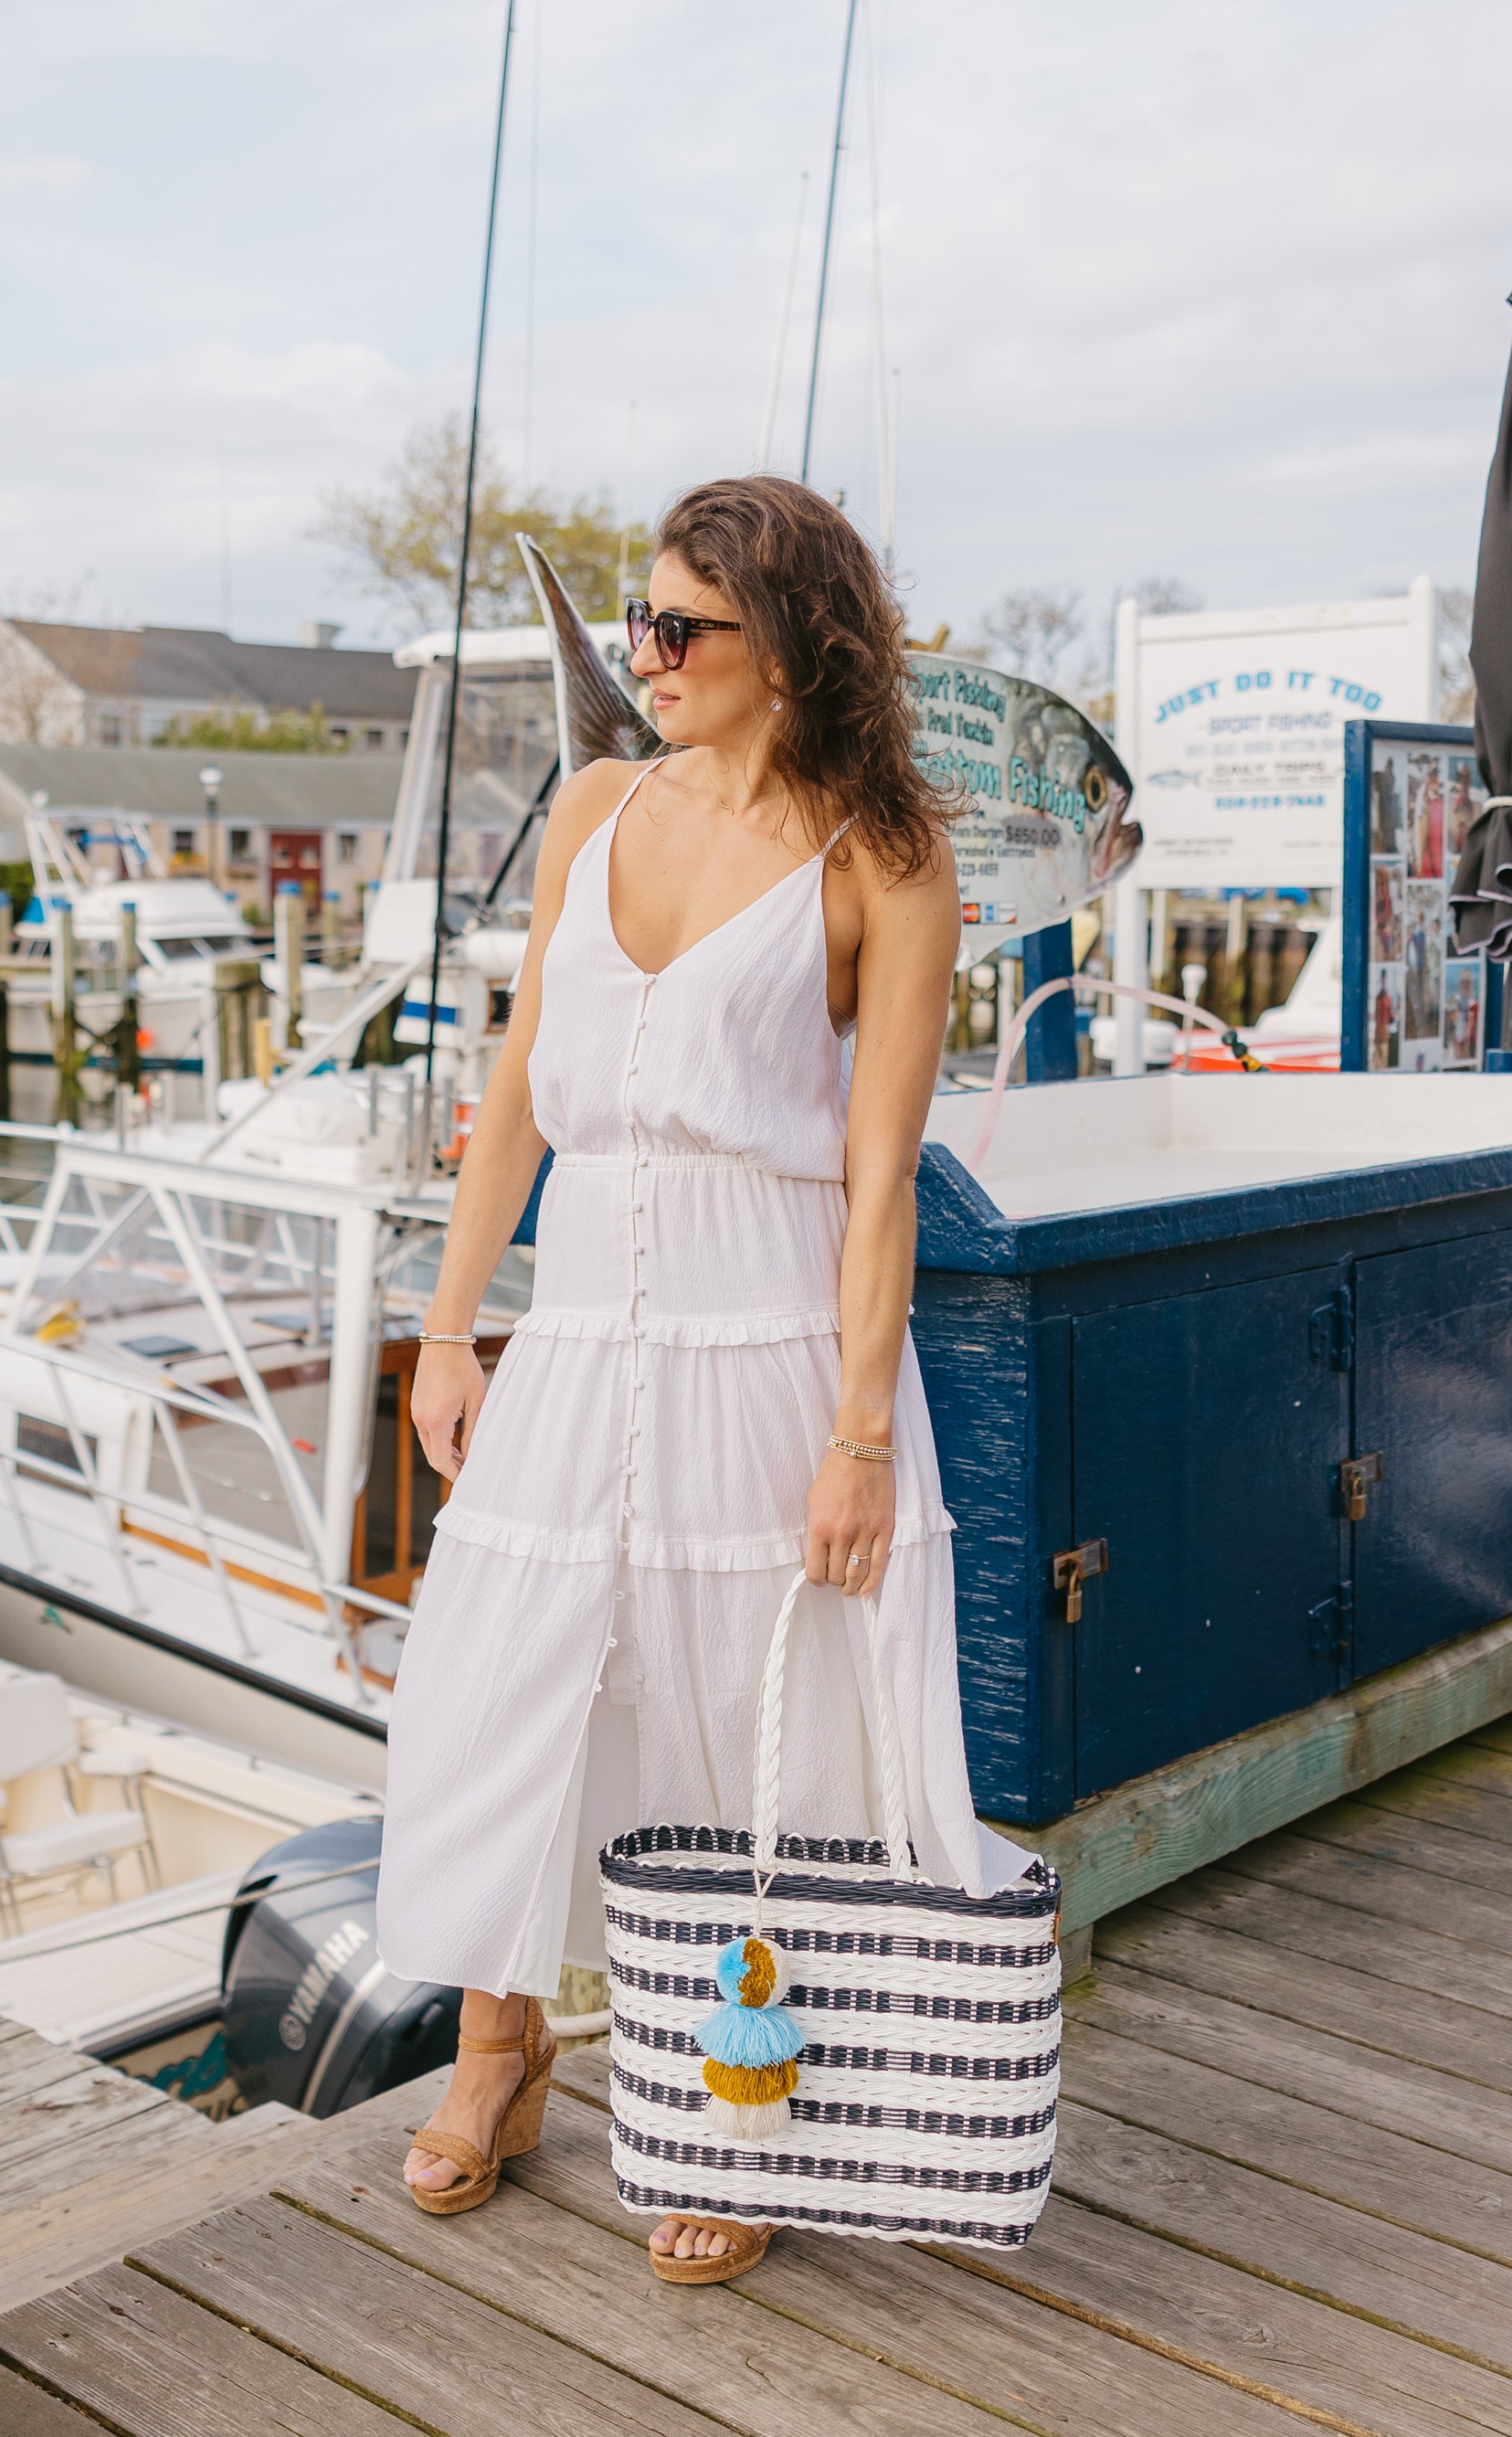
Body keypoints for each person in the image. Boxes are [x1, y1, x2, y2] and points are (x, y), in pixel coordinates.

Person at [374, 474, 1014, 2285]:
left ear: (788, 647)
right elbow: (511, 1095)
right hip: (575, 1334)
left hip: (766, 1344)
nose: (639, 652)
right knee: (511, 1685)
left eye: (679, 628)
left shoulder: (879, 857)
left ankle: (740, 2101)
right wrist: (443, 1324)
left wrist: (860, 1436)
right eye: (640, 620)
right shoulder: (593, 802)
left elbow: (880, 1173)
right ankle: (498, 2050)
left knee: (754, 1726)